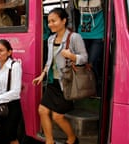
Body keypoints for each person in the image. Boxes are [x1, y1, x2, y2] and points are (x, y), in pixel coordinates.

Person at [32, 8, 88, 144]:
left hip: (66, 83)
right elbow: (49, 61)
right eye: (49, 21)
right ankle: (49, 141)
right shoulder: (51, 39)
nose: (50, 24)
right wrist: (42, 74)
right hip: (53, 82)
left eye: (53, 21)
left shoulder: (74, 37)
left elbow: (84, 58)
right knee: (42, 110)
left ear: (63, 21)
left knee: (58, 116)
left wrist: (72, 56)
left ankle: (72, 139)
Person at [0, 39, 23, 144]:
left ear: (9, 52)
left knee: (5, 138)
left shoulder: (14, 66)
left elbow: (16, 92)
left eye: (1, 50)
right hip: (1, 107)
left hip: (12, 108)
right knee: (11, 138)